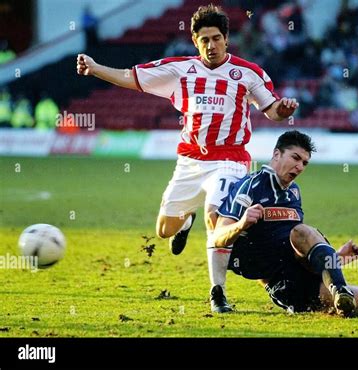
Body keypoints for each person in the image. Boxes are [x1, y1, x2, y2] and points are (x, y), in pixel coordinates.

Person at [76, 4, 299, 313]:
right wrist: (95, 67)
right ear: (196, 41)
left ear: (226, 39)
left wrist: (283, 111)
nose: (211, 45)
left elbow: (271, 108)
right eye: (204, 39)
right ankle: (185, 222)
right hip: (190, 161)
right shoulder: (180, 70)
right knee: (164, 230)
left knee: (215, 214)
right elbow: (132, 77)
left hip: (229, 159)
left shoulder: (247, 74)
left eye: (216, 38)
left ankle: (217, 293)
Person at [213, 130, 358, 316]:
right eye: (295, 158)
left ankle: (340, 291)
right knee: (301, 230)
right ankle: (333, 295)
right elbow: (217, 238)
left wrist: (334, 258)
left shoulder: (293, 191)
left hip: (304, 270)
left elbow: (298, 250)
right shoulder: (249, 187)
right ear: (277, 154)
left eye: (304, 163)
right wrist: (242, 223)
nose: (300, 167)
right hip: (285, 284)